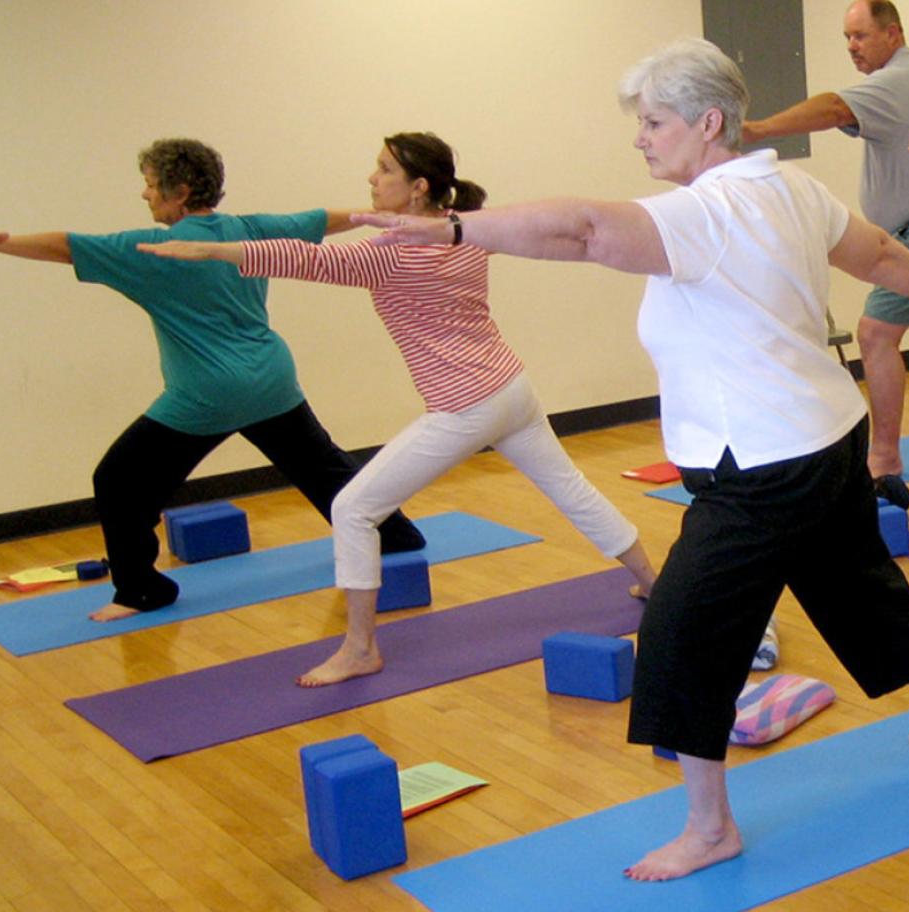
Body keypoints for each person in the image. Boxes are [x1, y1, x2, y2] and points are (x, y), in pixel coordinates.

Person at [358, 38, 909, 880]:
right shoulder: (791, 186)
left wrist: (452, 226)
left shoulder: (707, 214)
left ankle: (710, 827)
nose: (641, 138)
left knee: (682, 634)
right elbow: (875, 252)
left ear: (708, 122)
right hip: (825, 438)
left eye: (654, 122)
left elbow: (582, 230)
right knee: (864, 590)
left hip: (759, 468)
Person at [136, 133, 657, 686]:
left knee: (354, 509)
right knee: (569, 487)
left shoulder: (393, 257)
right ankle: (653, 581)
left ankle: (360, 648)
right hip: (511, 389)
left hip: (467, 406)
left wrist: (217, 249)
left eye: (384, 169)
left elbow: (303, 260)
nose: (372, 177)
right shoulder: (465, 228)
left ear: (418, 188)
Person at [0, 139, 425, 622]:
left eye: (151, 186)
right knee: (325, 470)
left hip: (206, 395)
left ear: (181, 191)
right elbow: (325, 219)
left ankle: (140, 590)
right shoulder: (249, 229)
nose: (145, 196)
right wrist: (398, 214)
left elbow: (66, 246)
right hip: (271, 380)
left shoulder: (151, 250)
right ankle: (395, 534)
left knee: (119, 481)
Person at [742, 0, 909, 506]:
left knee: (876, 332)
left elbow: (834, 107)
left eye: (860, 36)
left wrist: (759, 130)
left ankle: (884, 457)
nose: (852, 48)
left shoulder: (897, 79)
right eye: (847, 38)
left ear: (892, 34)